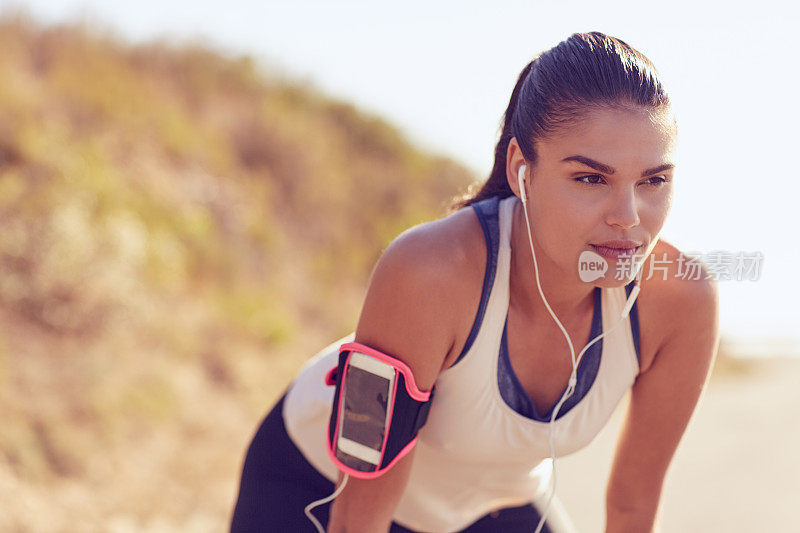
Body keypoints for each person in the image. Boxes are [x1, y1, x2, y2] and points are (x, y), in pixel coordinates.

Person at [230, 31, 719, 533]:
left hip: (490, 511)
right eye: (590, 178)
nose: (627, 217)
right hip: (317, 490)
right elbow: (360, 511)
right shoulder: (429, 273)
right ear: (521, 170)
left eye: (653, 180)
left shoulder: (679, 302)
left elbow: (633, 507)